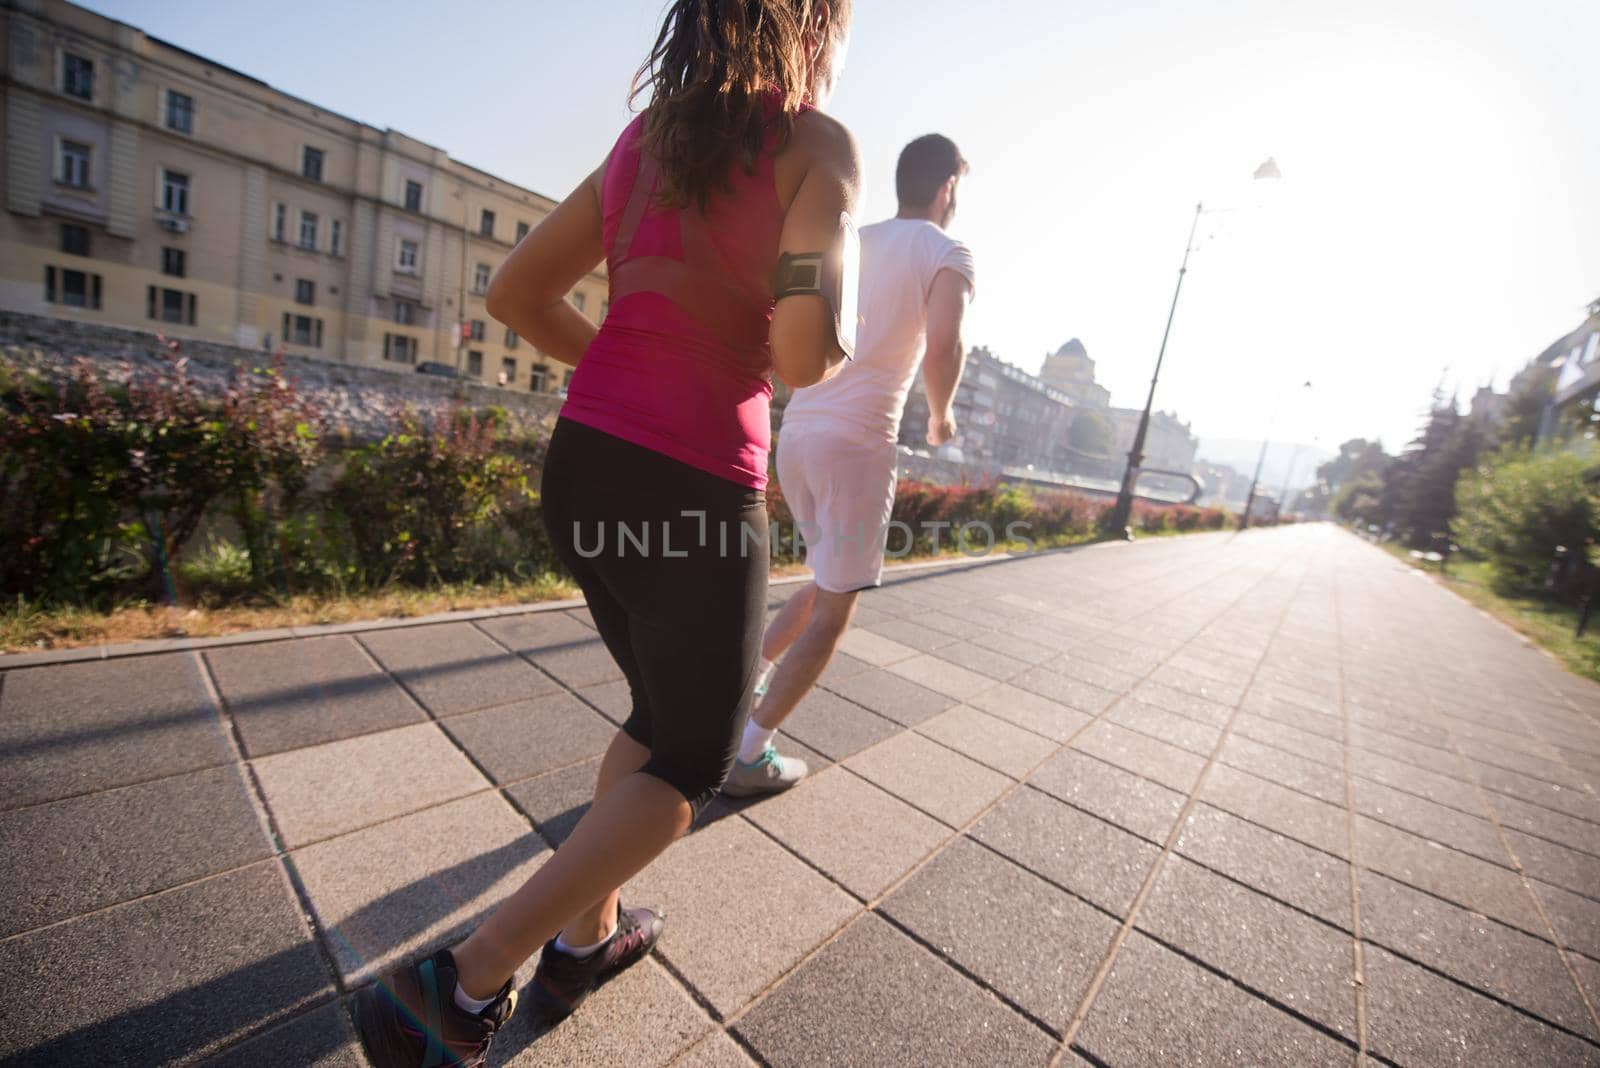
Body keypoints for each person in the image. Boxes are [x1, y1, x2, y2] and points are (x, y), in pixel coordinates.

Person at [351, 2, 858, 1065]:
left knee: (657, 714)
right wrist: (819, 278)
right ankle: (462, 984)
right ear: (814, 25)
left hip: (583, 470)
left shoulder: (647, 139)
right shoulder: (817, 145)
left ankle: (585, 941)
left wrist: (617, 371)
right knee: (690, 758)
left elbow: (517, 293)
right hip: (694, 485)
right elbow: (807, 358)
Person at [723, 134, 974, 797]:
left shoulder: (854, 239)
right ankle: (749, 751)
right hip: (858, 445)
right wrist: (941, 416)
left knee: (826, 578)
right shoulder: (947, 252)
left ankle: (746, 683)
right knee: (836, 611)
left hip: (800, 434)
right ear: (947, 187)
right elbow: (945, 344)